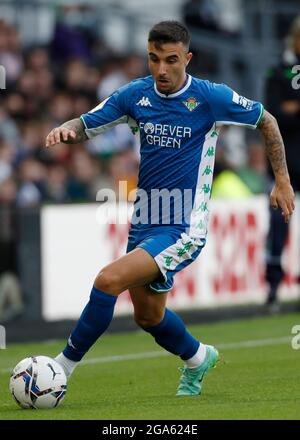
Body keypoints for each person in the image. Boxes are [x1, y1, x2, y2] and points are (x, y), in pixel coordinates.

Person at [45, 21, 295, 396]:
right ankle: (198, 358)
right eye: (153, 59)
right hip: (145, 221)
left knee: (107, 281)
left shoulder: (210, 98)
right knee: (149, 316)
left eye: (171, 60)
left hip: (183, 226)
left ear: (187, 59)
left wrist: (283, 181)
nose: (161, 69)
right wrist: (67, 128)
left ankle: (59, 371)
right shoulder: (136, 95)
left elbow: (267, 120)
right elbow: (88, 122)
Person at [264, 16, 300, 312]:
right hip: (283, 169)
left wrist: (293, 108)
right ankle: (273, 289)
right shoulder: (278, 70)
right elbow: (272, 116)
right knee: (278, 227)